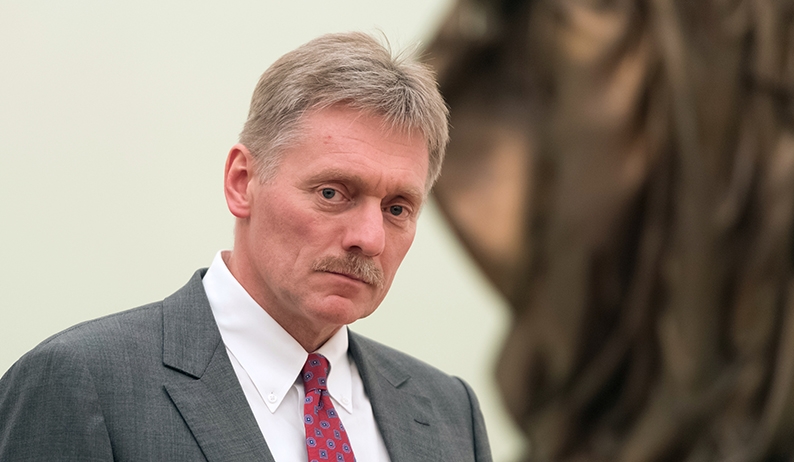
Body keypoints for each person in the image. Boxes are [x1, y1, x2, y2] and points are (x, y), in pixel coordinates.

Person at [0, 32, 492, 462]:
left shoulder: (450, 412)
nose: (369, 237)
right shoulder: (82, 382)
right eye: (331, 193)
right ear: (242, 182)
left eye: (397, 208)